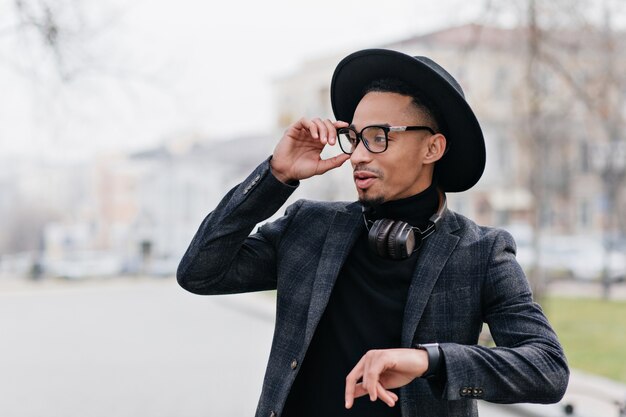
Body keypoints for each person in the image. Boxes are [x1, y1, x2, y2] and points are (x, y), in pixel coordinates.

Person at [177, 49, 569, 417]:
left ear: (432, 148)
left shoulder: (481, 252)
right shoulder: (308, 227)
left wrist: (427, 360)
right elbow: (200, 272)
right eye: (356, 137)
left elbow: (548, 369)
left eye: (379, 136)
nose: (359, 155)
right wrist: (276, 177)